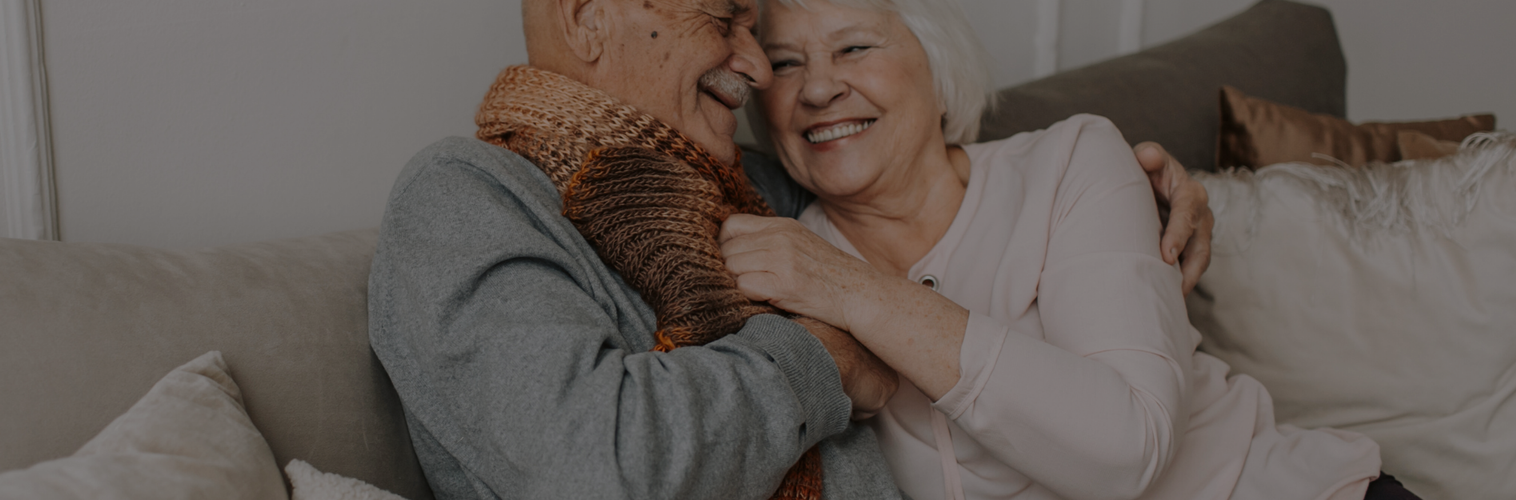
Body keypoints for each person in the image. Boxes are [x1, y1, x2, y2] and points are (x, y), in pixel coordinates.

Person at [367, 0, 1213, 498]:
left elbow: (919, 180)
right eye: (728, 20)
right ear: (589, 16)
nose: (759, 72)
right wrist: (826, 361)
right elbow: (591, 467)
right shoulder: (467, 197)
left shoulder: (753, 188)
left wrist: (1153, 191)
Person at [717, 0, 1413, 499]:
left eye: (854, 47)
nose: (816, 88)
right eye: (784, 63)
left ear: (936, 66)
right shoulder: (781, 252)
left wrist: (855, 291)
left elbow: (1127, 451)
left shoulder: (1071, 163)